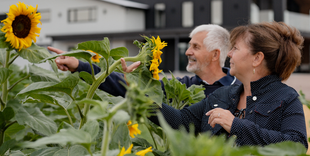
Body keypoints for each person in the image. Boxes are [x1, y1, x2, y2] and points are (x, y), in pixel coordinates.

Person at [151, 21, 310, 156]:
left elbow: (296, 147)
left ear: (257, 58)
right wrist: (137, 94)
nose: (229, 54)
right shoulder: (224, 95)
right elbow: (181, 120)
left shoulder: (287, 97)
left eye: (235, 48)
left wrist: (236, 126)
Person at [47, 24, 239, 97]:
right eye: (189, 45)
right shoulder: (184, 88)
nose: (188, 51)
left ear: (215, 55)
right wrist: (79, 65)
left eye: (195, 47)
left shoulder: (239, 88)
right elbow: (124, 85)